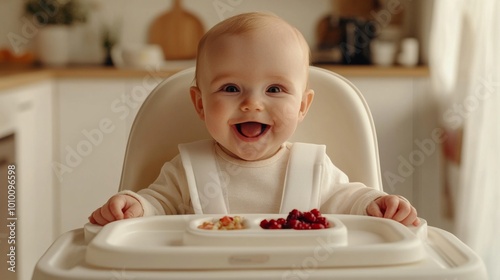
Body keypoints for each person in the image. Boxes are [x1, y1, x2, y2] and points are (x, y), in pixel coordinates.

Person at [89, 12, 419, 227]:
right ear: (200, 104)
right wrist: (134, 206)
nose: (252, 104)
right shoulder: (186, 168)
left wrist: (379, 204)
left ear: (302, 106)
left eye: (275, 89)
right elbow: (158, 205)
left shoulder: (312, 167)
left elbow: (349, 199)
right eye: (231, 88)